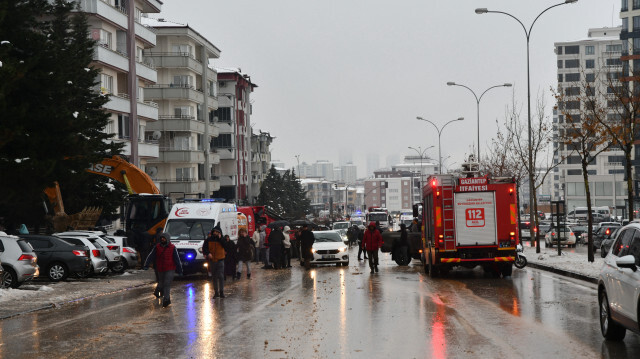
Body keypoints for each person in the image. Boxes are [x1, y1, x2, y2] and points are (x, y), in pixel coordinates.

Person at [143, 232, 183, 307]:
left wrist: (180, 270)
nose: (162, 239)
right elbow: (151, 256)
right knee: (161, 282)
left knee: (167, 283)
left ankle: (166, 300)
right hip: (160, 268)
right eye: (161, 238)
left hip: (170, 268)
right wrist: (146, 265)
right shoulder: (157, 247)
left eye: (164, 238)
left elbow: (177, 259)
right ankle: (157, 291)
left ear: (167, 239)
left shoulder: (172, 247)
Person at [203, 228, 226, 298]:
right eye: (215, 232)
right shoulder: (209, 240)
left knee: (221, 276)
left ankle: (221, 291)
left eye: (217, 232)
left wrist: (220, 239)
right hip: (212, 260)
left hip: (220, 259)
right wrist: (208, 253)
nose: (215, 233)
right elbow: (205, 248)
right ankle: (216, 292)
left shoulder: (222, 239)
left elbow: (225, 246)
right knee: (214, 276)